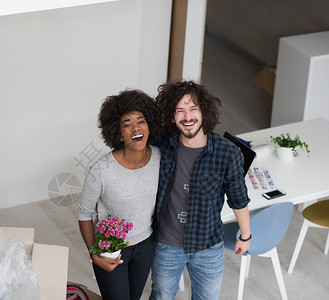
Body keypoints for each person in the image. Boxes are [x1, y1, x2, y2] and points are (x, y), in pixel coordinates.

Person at [149, 81, 251, 300]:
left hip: (208, 246)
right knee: (160, 297)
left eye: (193, 109)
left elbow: (238, 199)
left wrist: (245, 236)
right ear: (172, 116)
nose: (187, 117)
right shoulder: (162, 144)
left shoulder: (227, 153)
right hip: (166, 244)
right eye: (180, 111)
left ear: (204, 111)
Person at [77, 89, 162, 300]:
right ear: (118, 133)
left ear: (149, 125)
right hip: (112, 248)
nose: (135, 128)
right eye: (127, 125)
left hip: (146, 245)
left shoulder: (160, 157)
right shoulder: (101, 170)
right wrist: (94, 254)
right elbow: (84, 212)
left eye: (141, 121)